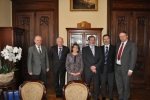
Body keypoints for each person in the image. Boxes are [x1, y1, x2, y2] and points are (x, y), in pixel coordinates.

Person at [115, 31, 137, 100]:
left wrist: (131, 69)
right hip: (117, 67)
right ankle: (120, 97)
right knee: (119, 84)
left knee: (126, 84)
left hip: (126, 68)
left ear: (127, 36)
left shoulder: (132, 45)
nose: (121, 37)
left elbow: (133, 58)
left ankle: (126, 98)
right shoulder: (118, 44)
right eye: (120, 36)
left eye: (123, 36)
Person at [82, 36, 103, 100]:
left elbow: (101, 59)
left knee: (96, 84)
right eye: (91, 40)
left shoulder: (99, 48)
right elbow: (84, 59)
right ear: (88, 41)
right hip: (88, 69)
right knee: (87, 84)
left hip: (97, 69)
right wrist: (91, 67)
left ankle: (96, 97)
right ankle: (87, 96)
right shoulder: (84, 49)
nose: (92, 41)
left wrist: (95, 66)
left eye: (94, 40)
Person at [100, 34, 116, 100]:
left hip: (111, 68)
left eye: (107, 39)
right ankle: (103, 96)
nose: (106, 40)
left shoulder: (114, 48)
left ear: (109, 39)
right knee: (103, 83)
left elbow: (115, 58)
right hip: (102, 68)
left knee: (111, 84)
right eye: (104, 39)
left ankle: (111, 96)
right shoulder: (100, 48)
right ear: (103, 40)